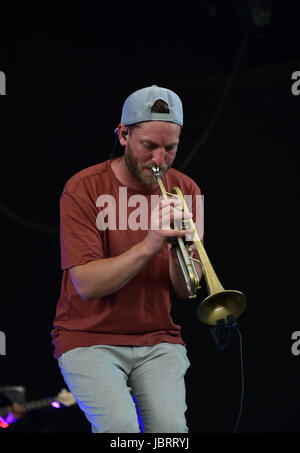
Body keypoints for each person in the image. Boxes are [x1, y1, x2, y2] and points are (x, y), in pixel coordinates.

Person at [51, 85, 203, 433]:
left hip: (158, 339)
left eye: (170, 148)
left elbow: (186, 288)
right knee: (120, 430)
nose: (159, 160)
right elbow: (87, 284)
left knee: (171, 434)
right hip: (89, 338)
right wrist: (151, 244)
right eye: (148, 146)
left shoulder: (187, 191)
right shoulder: (83, 188)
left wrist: (180, 246)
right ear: (123, 134)